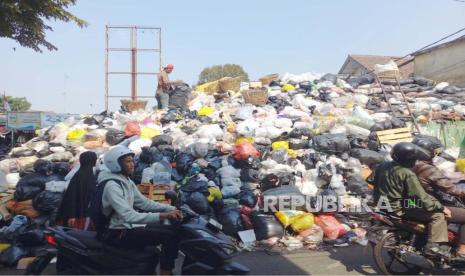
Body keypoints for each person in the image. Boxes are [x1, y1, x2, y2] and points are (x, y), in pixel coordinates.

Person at [99, 146, 183, 275]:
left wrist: (172, 208)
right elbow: (129, 216)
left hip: (127, 226)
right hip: (117, 232)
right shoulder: (112, 185)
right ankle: (165, 272)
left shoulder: (126, 180)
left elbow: (144, 203)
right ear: (116, 164)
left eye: (132, 161)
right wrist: (163, 215)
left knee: (174, 230)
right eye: (128, 161)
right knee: (169, 235)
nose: (132, 164)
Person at [368, 142, 451, 257]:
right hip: (401, 206)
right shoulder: (407, 173)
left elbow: (370, 180)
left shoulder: (382, 165)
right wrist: (441, 207)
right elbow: (421, 196)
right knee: (438, 215)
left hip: (382, 205)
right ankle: (432, 247)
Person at [413, 138, 465, 258]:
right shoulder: (427, 168)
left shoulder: (410, 164)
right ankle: (463, 251)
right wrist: (462, 193)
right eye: (434, 152)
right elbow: (449, 188)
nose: (436, 154)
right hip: (428, 203)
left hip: (414, 202)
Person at [56, 151, 98, 230]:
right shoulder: (83, 176)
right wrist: (72, 215)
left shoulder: (85, 173)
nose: (96, 161)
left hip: (81, 212)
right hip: (77, 215)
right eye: (94, 159)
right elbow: (72, 196)